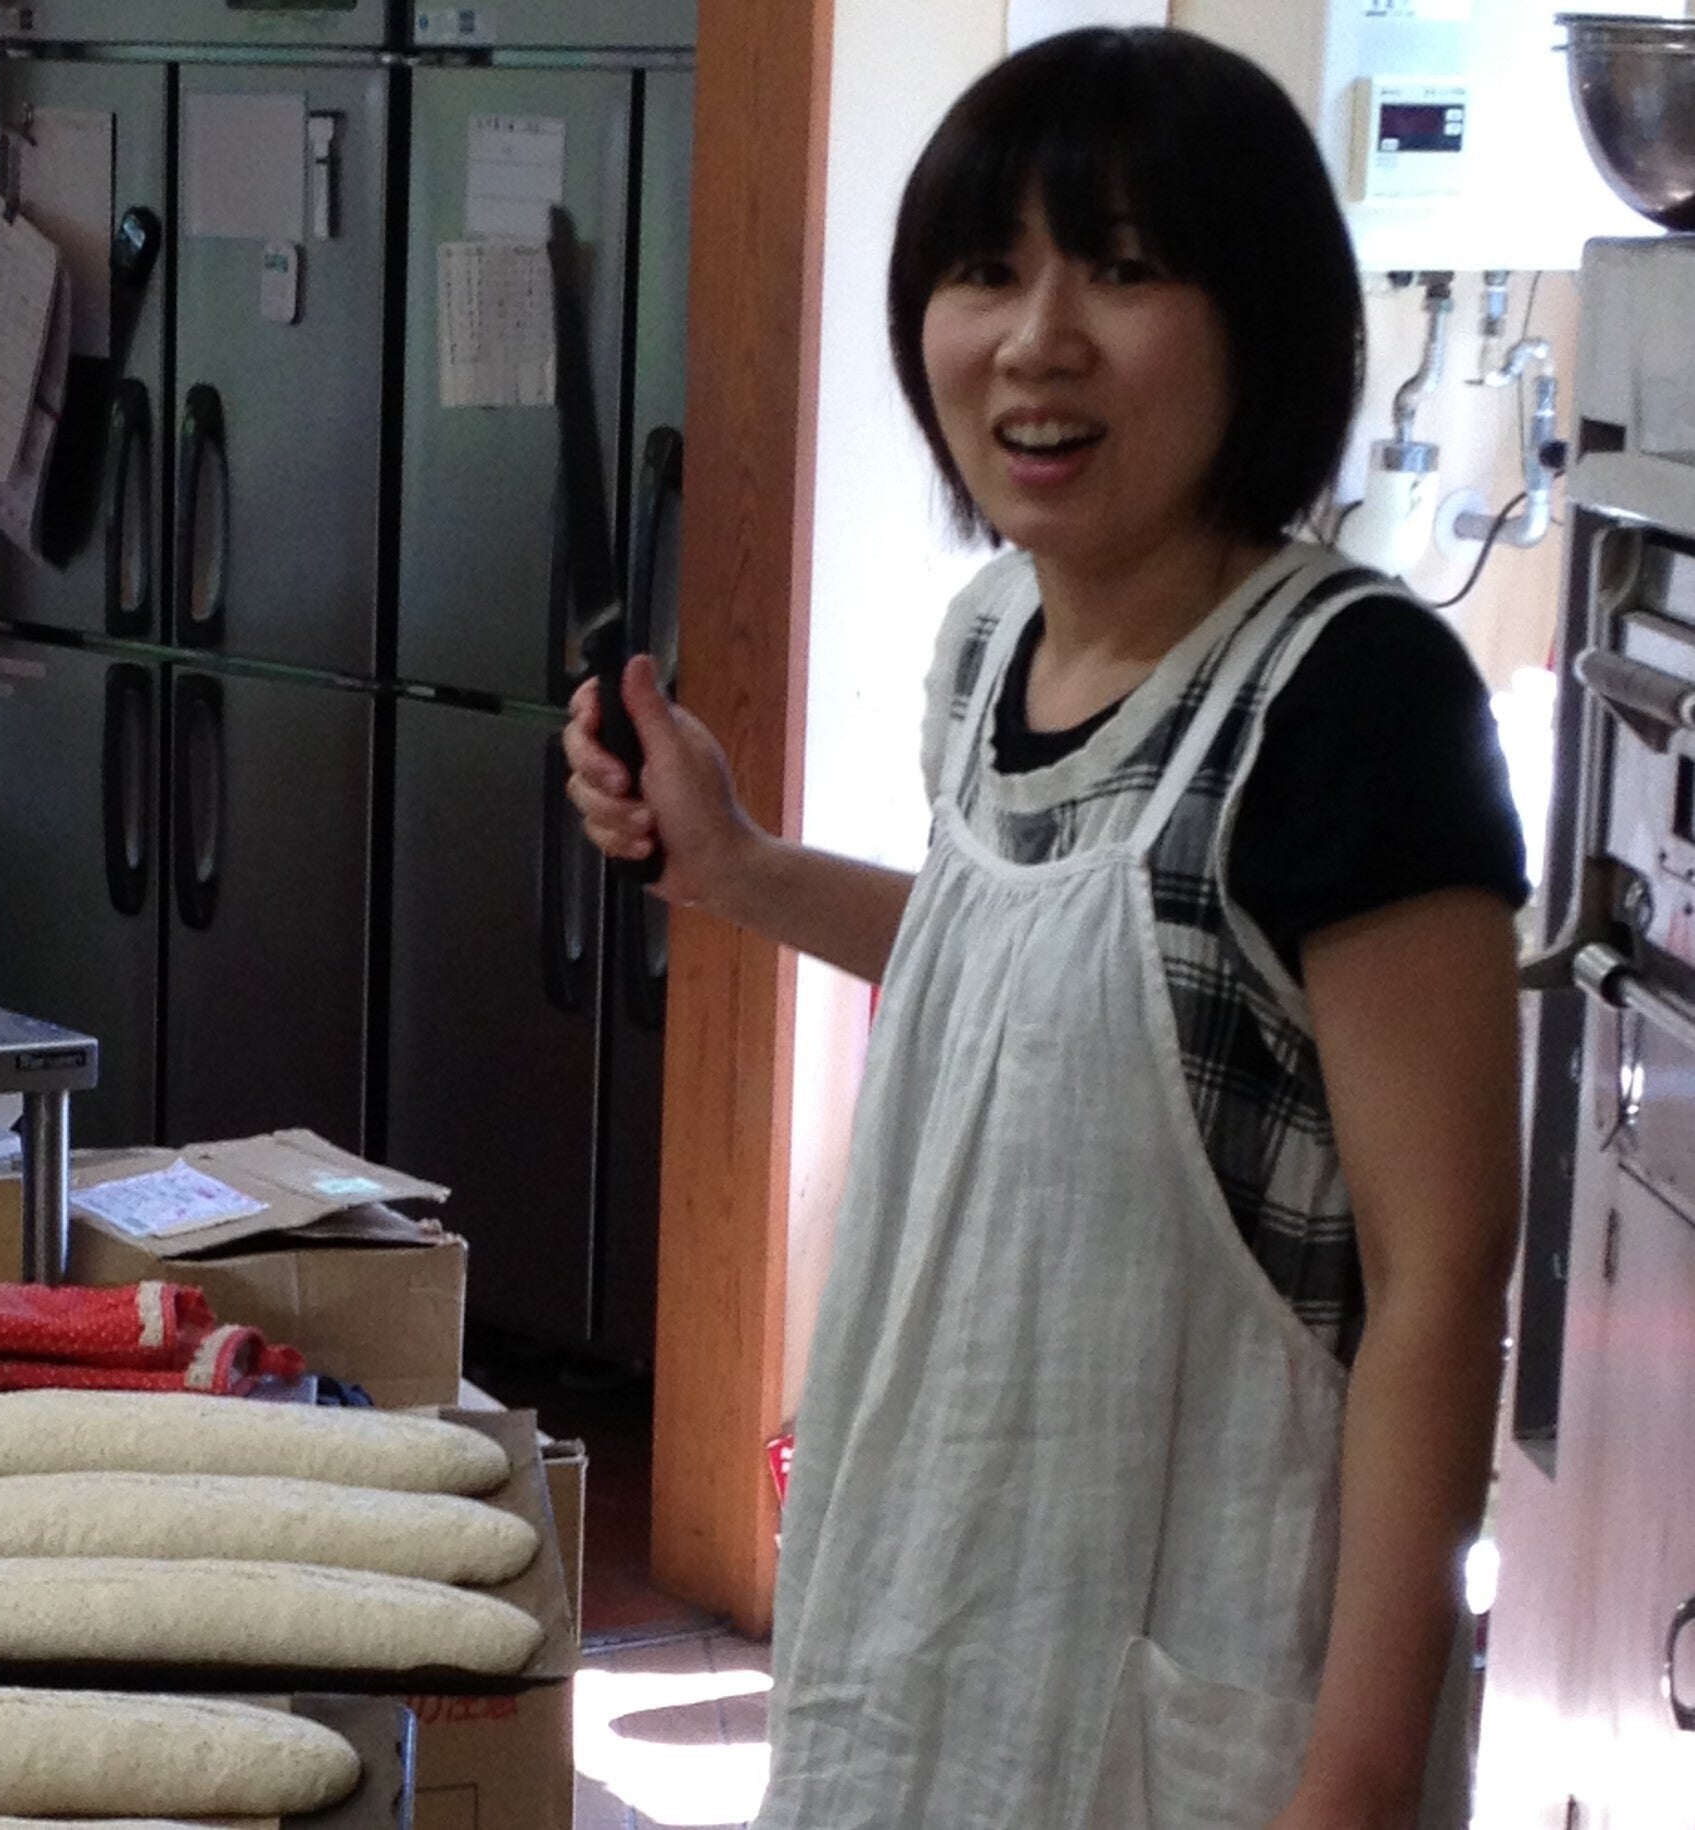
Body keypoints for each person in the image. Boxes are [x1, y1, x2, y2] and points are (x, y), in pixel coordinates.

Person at [564, 28, 1526, 1829]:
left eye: (1127, 270)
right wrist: (740, 867)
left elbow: (1443, 1277)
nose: (1036, 339)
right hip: (932, 1627)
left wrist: (1357, 1777)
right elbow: (1022, 984)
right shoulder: (993, 640)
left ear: (1263, 324)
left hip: (1215, 1695)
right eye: (985, 271)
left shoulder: (1352, 700)